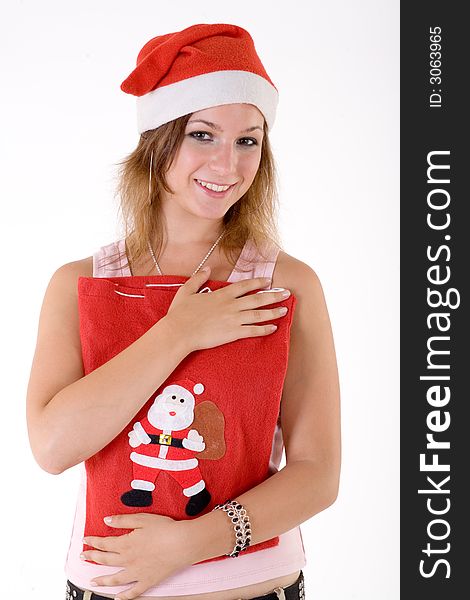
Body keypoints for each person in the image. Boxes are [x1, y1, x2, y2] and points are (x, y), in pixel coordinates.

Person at [26, 23, 341, 600]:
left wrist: (188, 542)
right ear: (158, 139)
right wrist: (178, 332)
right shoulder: (80, 284)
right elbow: (53, 447)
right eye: (203, 135)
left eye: (249, 140)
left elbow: (318, 474)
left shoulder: (285, 283)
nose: (228, 164)